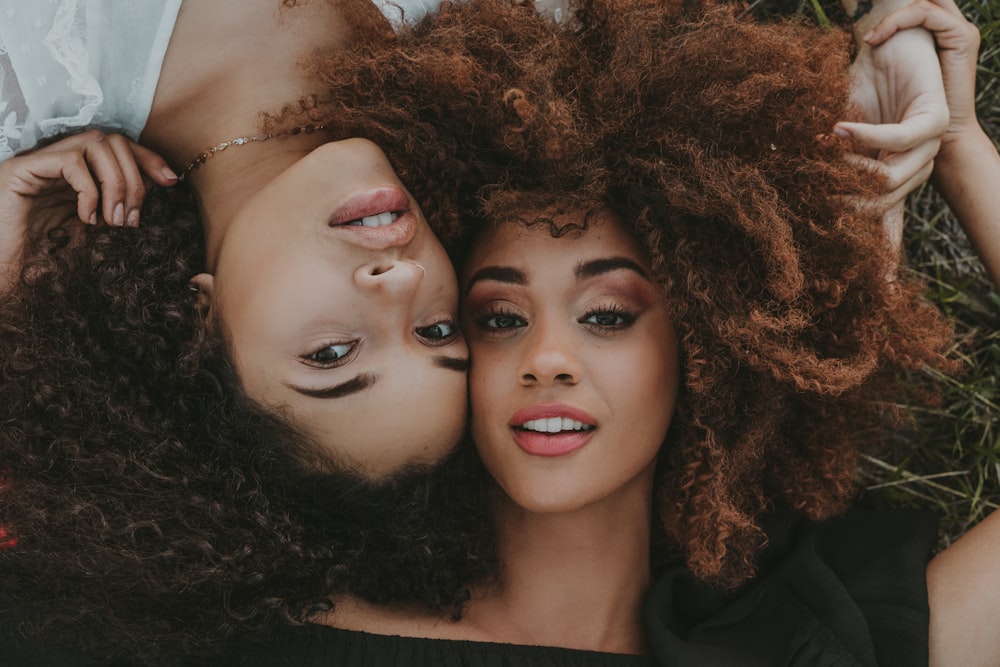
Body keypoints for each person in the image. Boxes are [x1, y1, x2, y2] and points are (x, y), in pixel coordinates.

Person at [218, 1, 957, 664]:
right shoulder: (278, 634)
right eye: (499, 320)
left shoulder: (792, 640)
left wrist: (955, 140)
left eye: (606, 315)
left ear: (706, 349)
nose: (546, 361)